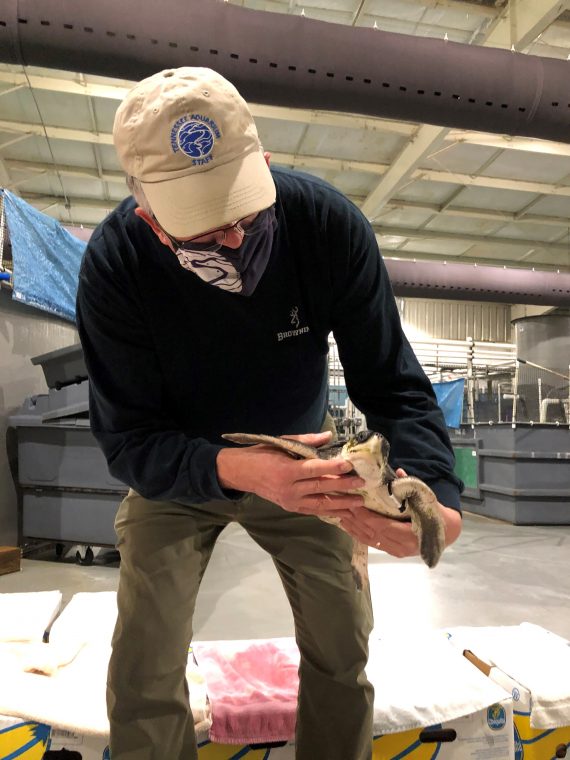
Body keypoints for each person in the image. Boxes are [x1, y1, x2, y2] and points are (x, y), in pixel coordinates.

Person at [76, 66, 463, 760]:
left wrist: (436, 487)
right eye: (201, 225)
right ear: (146, 212)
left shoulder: (325, 225)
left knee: (343, 645)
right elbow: (127, 439)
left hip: (302, 466)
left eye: (246, 211)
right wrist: (234, 469)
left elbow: (393, 384)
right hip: (180, 471)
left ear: (265, 162)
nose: (231, 239)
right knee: (144, 659)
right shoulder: (115, 266)